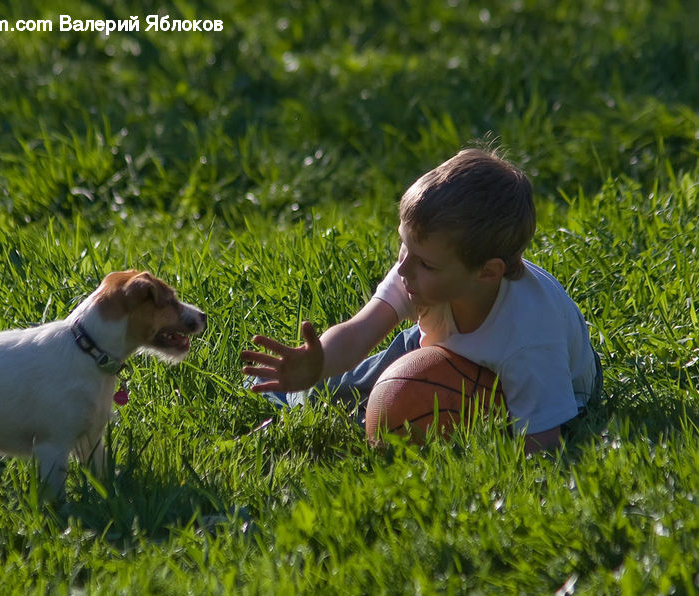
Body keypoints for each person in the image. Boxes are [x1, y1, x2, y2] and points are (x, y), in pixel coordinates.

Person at [240, 148, 601, 453]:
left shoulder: (529, 339)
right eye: (404, 247)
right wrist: (314, 364)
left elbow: (543, 447)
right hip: (443, 344)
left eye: (425, 262)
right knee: (330, 389)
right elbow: (359, 331)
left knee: (499, 424)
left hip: (548, 384)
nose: (403, 268)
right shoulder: (419, 274)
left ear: (487, 273)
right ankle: (290, 400)